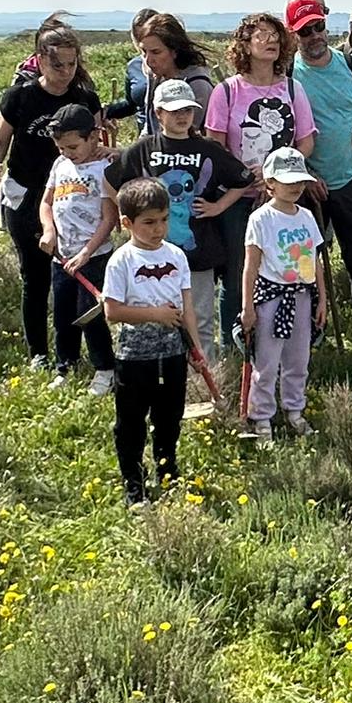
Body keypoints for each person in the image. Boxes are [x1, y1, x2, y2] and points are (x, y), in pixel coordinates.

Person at [0, 25, 105, 372]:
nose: (65, 73)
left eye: (71, 64)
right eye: (57, 66)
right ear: (39, 61)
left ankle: (72, 353)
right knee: (35, 276)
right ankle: (38, 352)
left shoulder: (85, 99)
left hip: (77, 196)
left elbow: (95, 142)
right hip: (26, 194)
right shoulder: (19, 97)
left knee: (78, 276)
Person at [102, 80, 250, 366]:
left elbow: (242, 178)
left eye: (188, 110)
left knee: (201, 317)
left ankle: (204, 376)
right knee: (155, 317)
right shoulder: (144, 149)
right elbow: (110, 181)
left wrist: (218, 205)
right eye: (174, 111)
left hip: (199, 250)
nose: (182, 117)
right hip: (150, 254)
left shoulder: (207, 148)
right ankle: (166, 374)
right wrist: (132, 216)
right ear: (158, 114)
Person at [205, 12, 316, 346]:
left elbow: (306, 141)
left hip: (285, 199)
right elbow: (214, 144)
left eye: (275, 35)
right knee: (240, 273)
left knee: (291, 269)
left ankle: (286, 342)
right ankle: (235, 342)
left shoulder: (293, 89)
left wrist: (280, 175)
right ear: (244, 44)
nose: (271, 41)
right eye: (262, 34)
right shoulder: (226, 92)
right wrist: (243, 175)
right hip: (239, 200)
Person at [100, 177, 198, 506]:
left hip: (172, 351)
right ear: (127, 223)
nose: (158, 229)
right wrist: (155, 314)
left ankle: (167, 470)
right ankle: (133, 481)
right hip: (134, 356)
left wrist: (195, 348)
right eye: (149, 222)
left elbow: (187, 309)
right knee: (131, 421)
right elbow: (112, 311)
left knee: (169, 416)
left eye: (164, 220)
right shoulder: (122, 260)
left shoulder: (177, 256)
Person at [288, 0, 352, 320]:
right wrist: (305, 176)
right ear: (291, 34)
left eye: (318, 27)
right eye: (304, 31)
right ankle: (309, 333)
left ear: (327, 26)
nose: (313, 36)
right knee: (302, 265)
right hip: (303, 188)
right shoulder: (286, 76)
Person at [240, 147, 328, 443]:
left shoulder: (305, 216)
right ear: (270, 183)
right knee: (266, 361)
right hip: (271, 298)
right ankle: (261, 415)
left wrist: (322, 299)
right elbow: (250, 267)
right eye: (287, 181)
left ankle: (294, 409)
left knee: (298, 358)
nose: (295, 187)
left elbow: (314, 261)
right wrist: (248, 306)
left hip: (302, 296)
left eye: (299, 181)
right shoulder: (261, 219)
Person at [40, 104, 119, 395]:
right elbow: (46, 202)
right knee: (62, 311)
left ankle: (104, 368)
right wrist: (49, 231)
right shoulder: (60, 166)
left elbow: (109, 218)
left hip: (93, 256)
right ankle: (66, 364)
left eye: (73, 146)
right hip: (62, 255)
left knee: (90, 312)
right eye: (61, 147)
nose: (67, 152)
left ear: (93, 138)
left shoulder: (103, 168)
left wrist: (86, 252)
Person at [135, 13, 216, 119]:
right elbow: (150, 124)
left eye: (156, 52)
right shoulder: (155, 76)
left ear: (174, 51)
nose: (148, 61)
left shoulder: (197, 84)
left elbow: (189, 132)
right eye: (144, 52)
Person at [104, 9, 161, 136]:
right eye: (137, 35)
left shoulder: (173, 63)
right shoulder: (134, 66)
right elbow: (131, 105)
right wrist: (106, 111)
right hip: (144, 137)